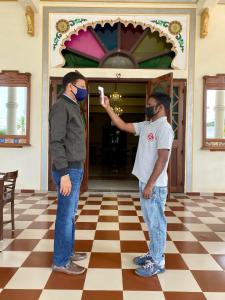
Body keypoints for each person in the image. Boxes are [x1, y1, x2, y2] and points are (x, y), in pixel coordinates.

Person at [101, 92, 174, 277]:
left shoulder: (164, 128)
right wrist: (107, 107)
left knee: (157, 223)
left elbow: (162, 159)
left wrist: (150, 185)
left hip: (155, 186)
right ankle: (153, 253)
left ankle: (158, 262)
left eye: (150, 104)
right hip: (145, 183)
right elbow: (123, 125)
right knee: (151, 223)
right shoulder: (147, 125)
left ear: (160, 107)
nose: (147, 107)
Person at [49, 71, 88, 275]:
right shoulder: (60, 107)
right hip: (68, 170)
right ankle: (61, 261)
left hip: (76, 167)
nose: (84, 90)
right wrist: (63, 173)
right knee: (65, 216)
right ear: (70, 86)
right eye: (81, 86)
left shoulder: (73, 106)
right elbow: (56, 142)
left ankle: (68, 252)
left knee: (71, 215)